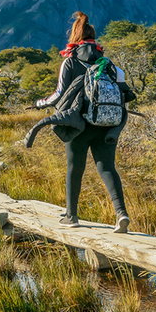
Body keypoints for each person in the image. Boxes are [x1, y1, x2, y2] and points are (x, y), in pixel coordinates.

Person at [28, 12, 135, 233]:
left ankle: (72, 215)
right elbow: (125, 93)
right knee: (107, 168)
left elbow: (58, 94)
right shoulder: (110, 65)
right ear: (95, 40)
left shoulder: (70, 61)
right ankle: (121, 214)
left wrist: (39, 103)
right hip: (107, 123)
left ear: (75, 37)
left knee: (74, 168)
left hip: (77, 124)